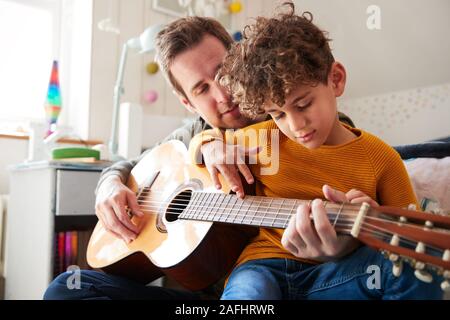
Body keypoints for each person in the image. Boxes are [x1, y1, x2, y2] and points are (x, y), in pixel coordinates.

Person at [43, 15, 355, 300]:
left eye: (224, 73)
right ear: (187, 102)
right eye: (201, 88)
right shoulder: (190, 135)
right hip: (217, 291)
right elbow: (130, 165)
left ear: (242, 61)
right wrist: (109, 185)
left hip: (291, 277)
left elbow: (353, 160)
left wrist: (338, 246)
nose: (223, 95)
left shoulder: (301, 117)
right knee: (66, 289)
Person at [188, 2, 443, 299]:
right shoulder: (264, 140)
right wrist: (208, 145)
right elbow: (201, 145)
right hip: (262, 267)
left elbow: (408, 242)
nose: (295, 125)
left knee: (415, 270)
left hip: (339, 274)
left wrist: (367, 238)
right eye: (277, 114)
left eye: (303, 104)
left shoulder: (381, 159)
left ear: (335, 79)